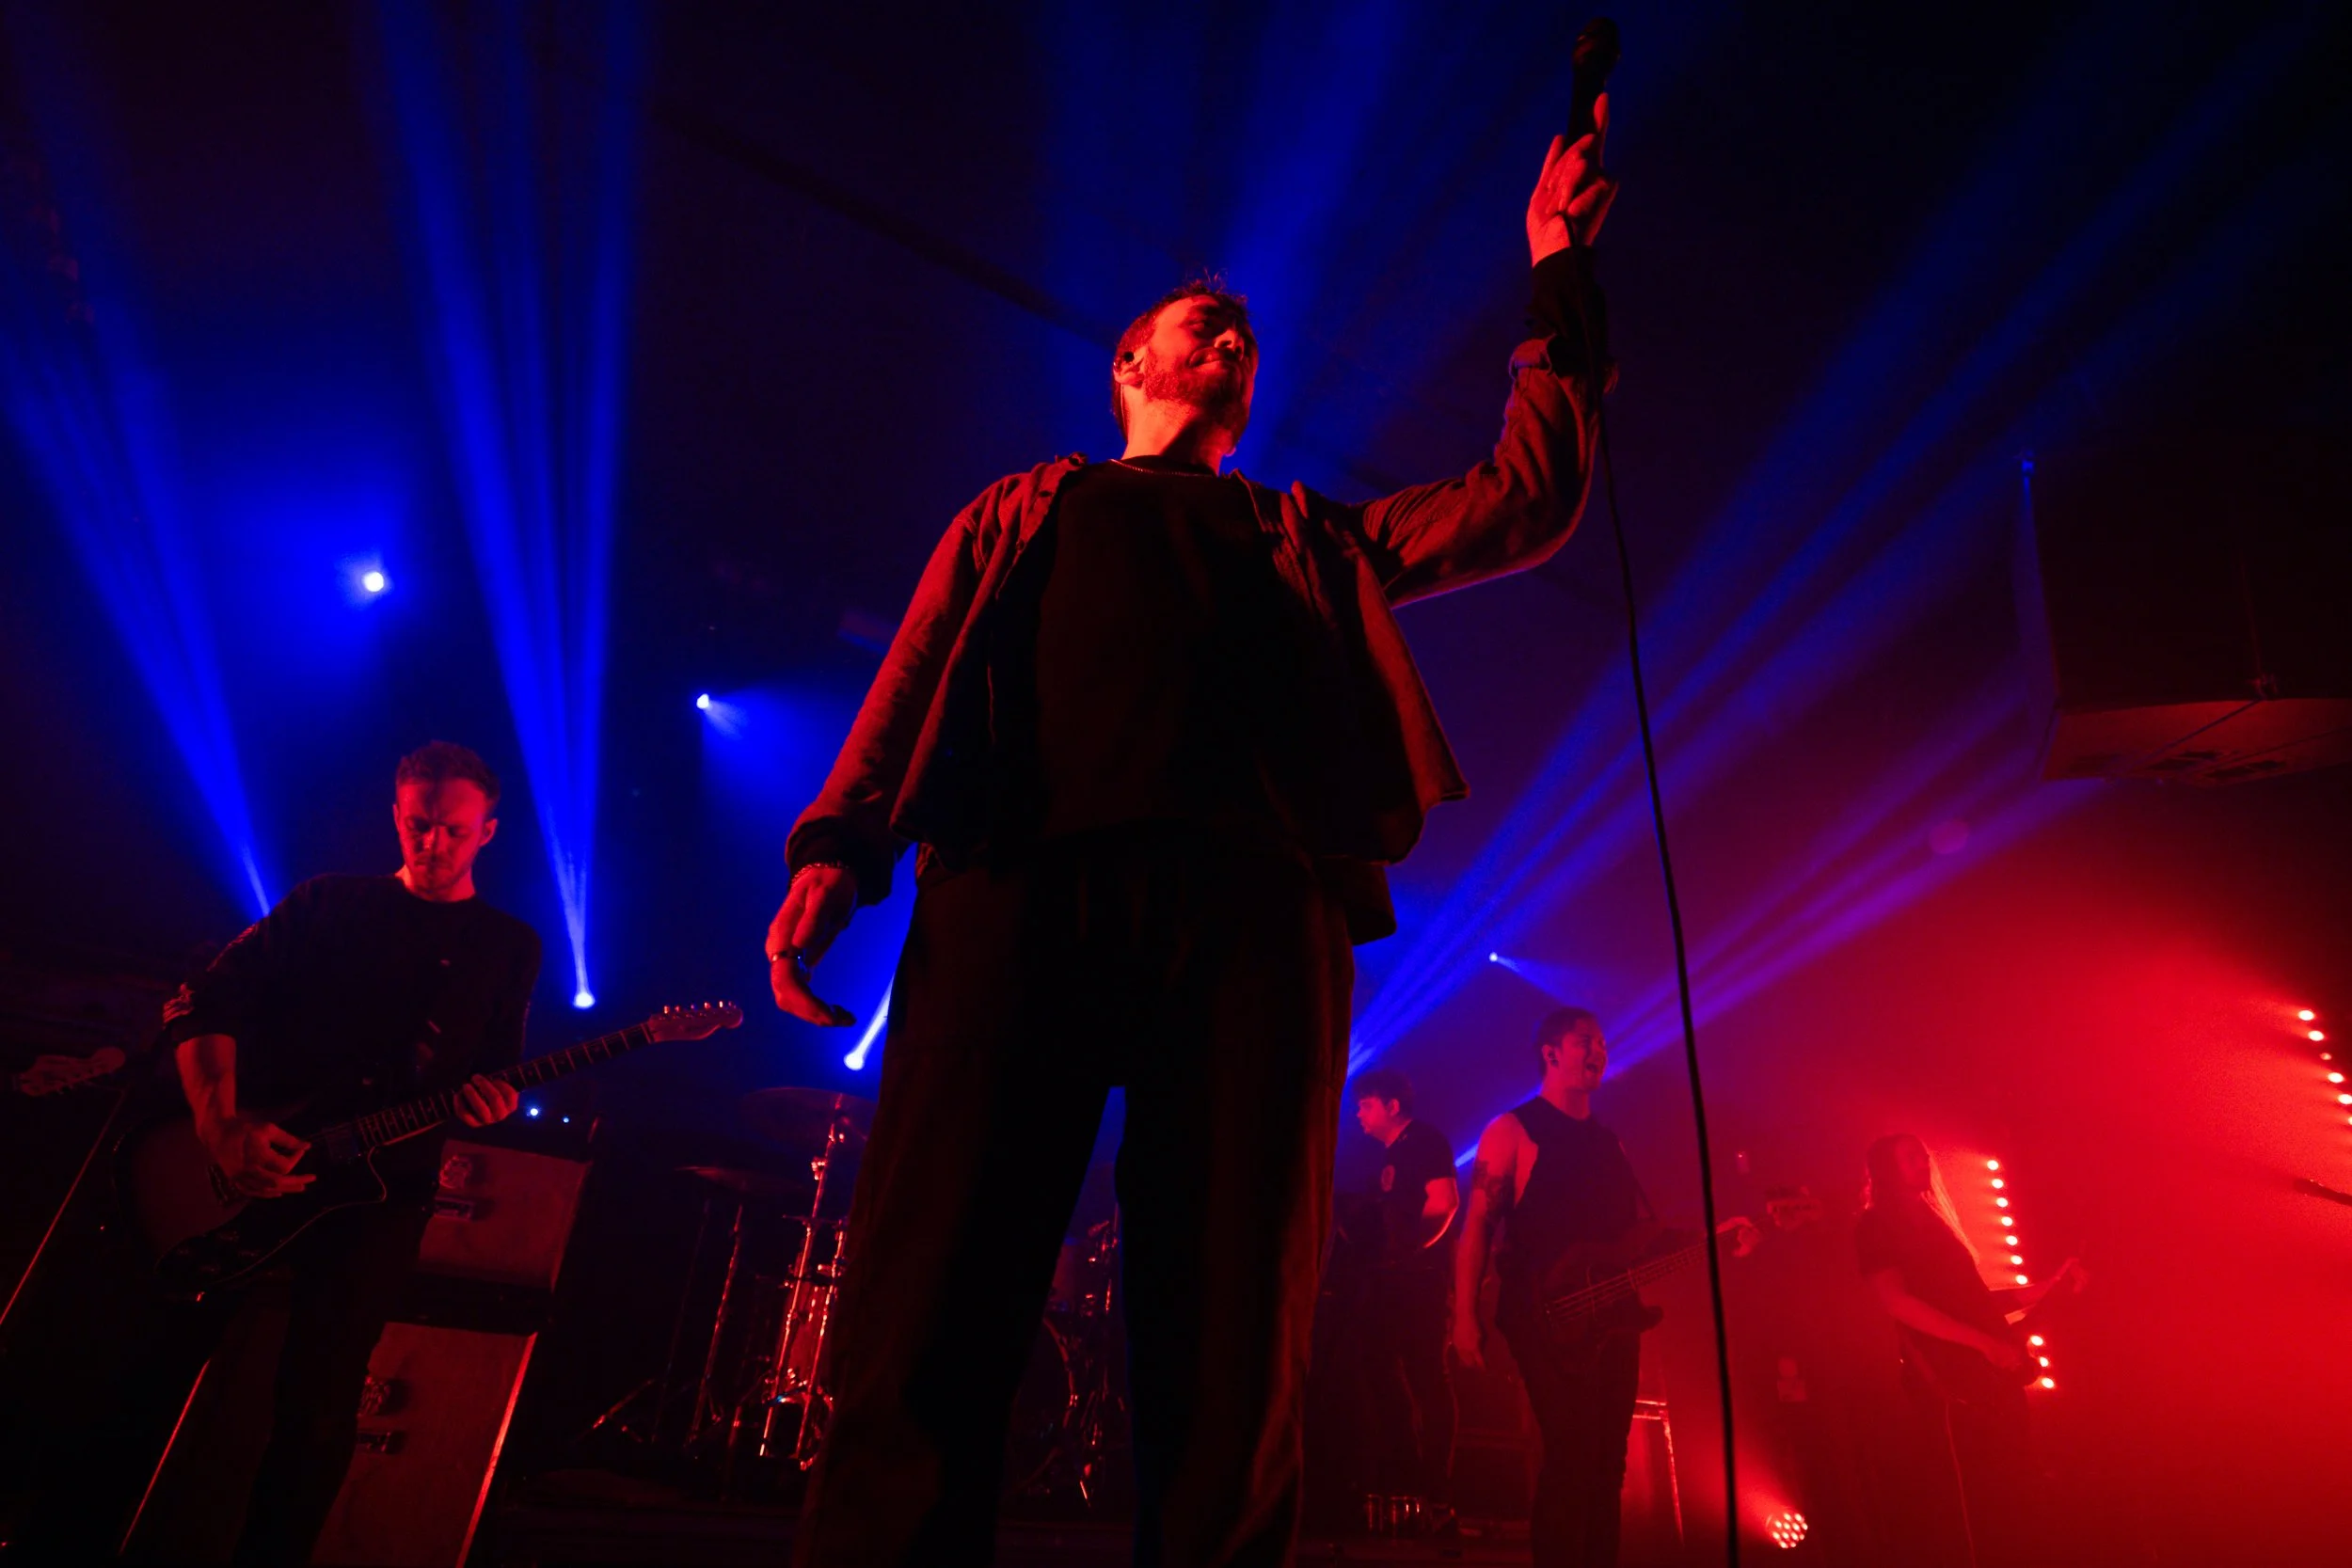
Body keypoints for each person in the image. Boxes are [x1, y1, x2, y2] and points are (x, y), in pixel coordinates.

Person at [763, 103, 1621, 1565]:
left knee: (1234, 1326)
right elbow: (914, 669)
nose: (1233, 345)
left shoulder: (1305, 532)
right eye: (1204, 328)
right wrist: (835, 846)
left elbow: (1524, 497)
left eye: (1244, 339)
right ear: (1133, 365)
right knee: (931, 1292)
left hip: (1249, 923)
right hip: (1016, 888)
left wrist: (1555, 271)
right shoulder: (1026, 508)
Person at [8, 741, 538, 1565]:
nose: (434, 844)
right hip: (251, 1163)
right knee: (142, 1370)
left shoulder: (509, 945)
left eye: (455, 831)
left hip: (378, 1191)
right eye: (420, 825)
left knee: (320, 1409)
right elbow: (201, 1000)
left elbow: (494, 1070)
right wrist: (221, 1126)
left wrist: (492, 1100)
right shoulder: (329, 903)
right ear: (396, 816)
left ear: (489, 832)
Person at [1452, 1006, 1754, 1567]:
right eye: (1585, 1041)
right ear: (1551, 1053)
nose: (1599, 1051)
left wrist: (1716, 1234)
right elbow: (1477, 1225)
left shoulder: (1608, 1142)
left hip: (1612, 1313)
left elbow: (1639, 1237)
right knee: (1571, 1449)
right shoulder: (1513, 1129)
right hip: (1542, 1311)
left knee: (1607, 1462)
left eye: (1603, 1043)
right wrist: (1464, 1315)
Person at [1856, 1133, 2085, 1568]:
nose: (1923, 1164)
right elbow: (1898, 1303)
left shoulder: (1931, 1219)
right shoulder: (1876, 1226)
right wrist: (1983, 1343)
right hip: (1952, 1388)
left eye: (1923, 1156)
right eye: (1910, 1159)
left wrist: (2045, 1290)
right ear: (1886, 1171)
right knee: (1976, 1505)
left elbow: (1972, 1299)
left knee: (2016, 1490)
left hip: (1990, 1377)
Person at [1346, 1067, 1459, 1530]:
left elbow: (1445, 1201)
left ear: (1392, 1106)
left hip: (1423, 1282)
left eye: (1366, 1103)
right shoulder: (1388, 1155)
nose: (1358, 1112)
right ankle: (1408, 1474)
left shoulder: (1424, 1141)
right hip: (1393, 1284)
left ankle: (1437, 1491)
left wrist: (1410, 1250)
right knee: (1380, 1367)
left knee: (1427, 1376)